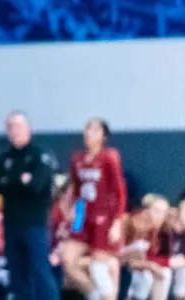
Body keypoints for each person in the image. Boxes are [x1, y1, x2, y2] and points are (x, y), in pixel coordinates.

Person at [0, 111, 57, 300]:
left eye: (18, 126)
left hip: (35, 223)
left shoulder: (40, 155)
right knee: (17, 275)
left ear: (28, 129)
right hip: (11, 224)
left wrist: (10, 182)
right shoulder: (3, 158)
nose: (15, 131)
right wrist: (21, 180)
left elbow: (36, 185)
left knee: (40, 271)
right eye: (10, 127)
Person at [61, 118, 126, 300]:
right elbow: (76, 189)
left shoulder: (109, 157)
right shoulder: (77, 159)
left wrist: (117, 222)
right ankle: (93, 293)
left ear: (103, 136)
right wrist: (72, 212)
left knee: (98, 267)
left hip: (104, 217)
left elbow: (120, 191)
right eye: (88, 129)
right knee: (68, 261)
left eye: (95, 130)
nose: (89, 133)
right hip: (82, 215)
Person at [124, 195, 173, 300]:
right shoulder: (132, 222)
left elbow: (162, 256)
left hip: (138, 266)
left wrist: (150, 265)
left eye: (163, 212)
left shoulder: (156, 229)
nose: (160, 216)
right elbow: (125, 259)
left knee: (164, 273)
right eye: (156, 211)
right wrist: (149, 265)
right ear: (147, 210)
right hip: (120, 265)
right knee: (146, 276)